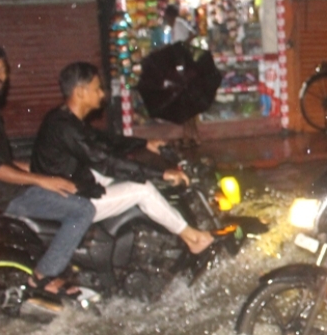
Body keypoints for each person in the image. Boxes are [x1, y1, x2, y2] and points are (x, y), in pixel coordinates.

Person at [0, 43, 95, 299]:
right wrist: (43, 180)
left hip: (5, 187)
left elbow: (3, 160)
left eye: (1, 69)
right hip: (4, 194)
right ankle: (44, 275)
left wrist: (45, 170)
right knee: (83, 210)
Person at [31, 62, 215, 255]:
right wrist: (161, 174)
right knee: (143, 189)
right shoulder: (66, 128)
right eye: (97, 89)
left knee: (130, 172)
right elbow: (106, 161)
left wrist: (143, 144)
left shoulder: (63, 118)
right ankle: (193, 238)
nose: (102, 94)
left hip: (72, 185)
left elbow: (103, 140)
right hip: (71, 201)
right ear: (81, 92)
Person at [162, 4, 202, 144]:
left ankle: (192, 136)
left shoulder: (178, 26)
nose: (165, 19)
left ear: (170, 16)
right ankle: (190, 136)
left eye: (166, 16)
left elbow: (187, 39)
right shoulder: (177, 26)